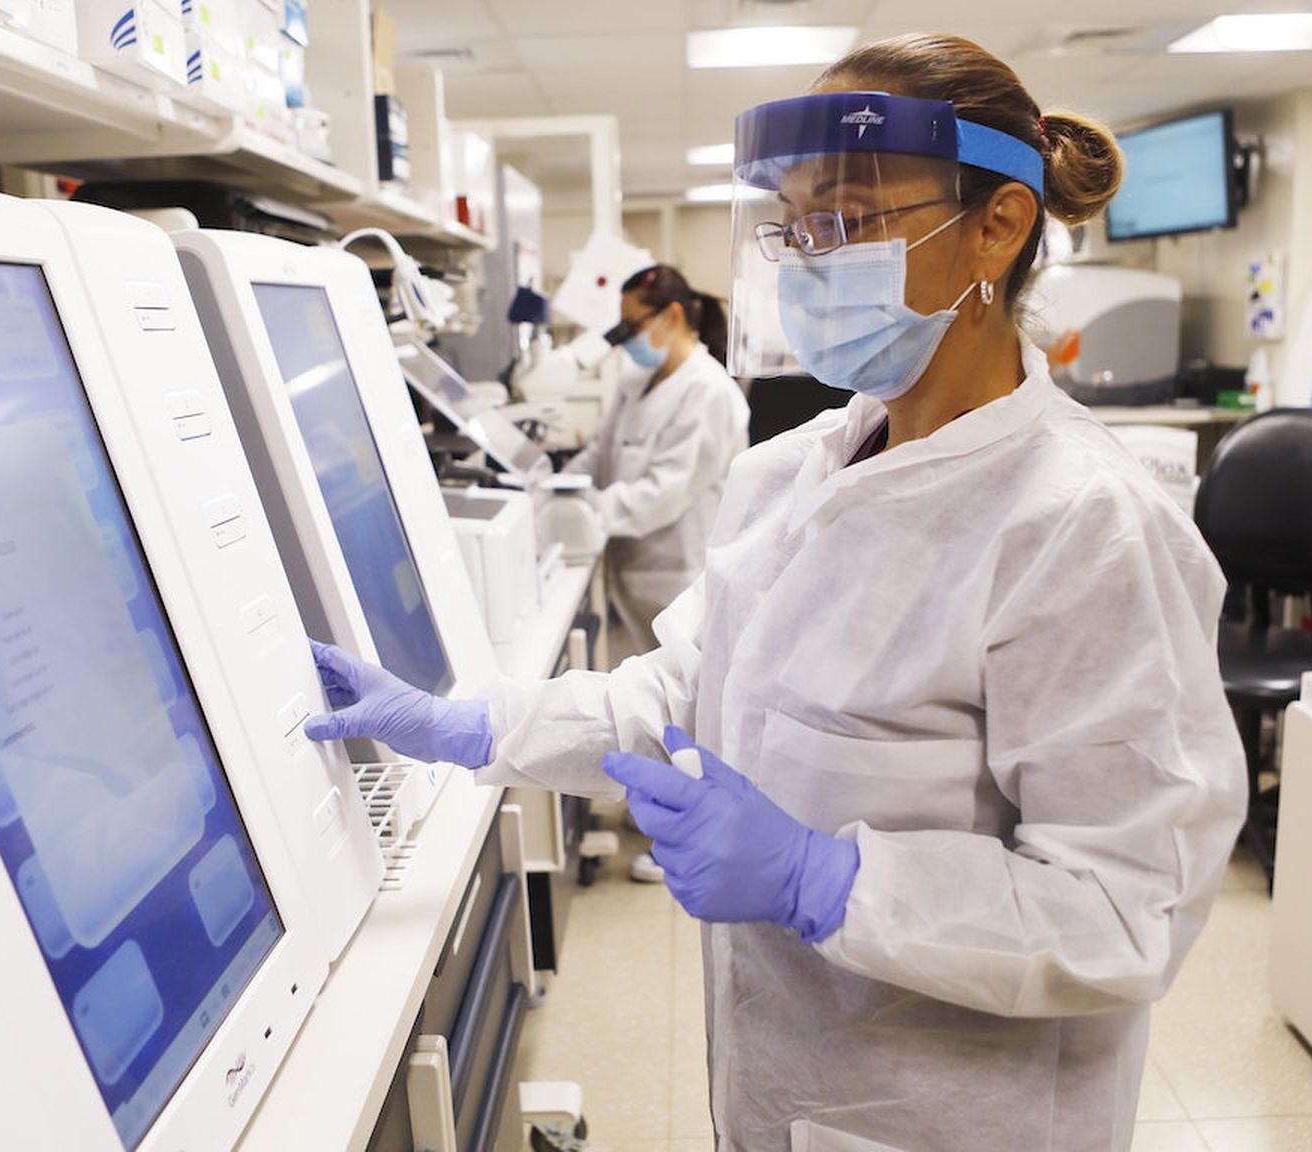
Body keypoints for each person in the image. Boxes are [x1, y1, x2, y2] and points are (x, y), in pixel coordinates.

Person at [305, 32, 1246, 1152]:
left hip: (956, 1118)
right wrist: (473, 724)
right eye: (796, 227)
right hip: (779, 1090)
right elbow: (680, 693)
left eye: (849, 221)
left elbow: (1125, 907)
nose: (810, 261)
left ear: (998, 224)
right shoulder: (792, 473)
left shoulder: (1084, 526)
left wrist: (830, 881)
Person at [573, 264, 749, 662]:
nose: (628, 340)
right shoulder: (634, 381)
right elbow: (600, 454)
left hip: (678, 579)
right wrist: (555, 489)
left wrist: (586, 511)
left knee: (685, 698)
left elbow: (668, 491)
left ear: (673, 315)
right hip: (632, 573)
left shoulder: (708, 391)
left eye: (632, 327)